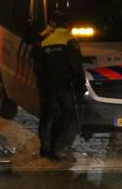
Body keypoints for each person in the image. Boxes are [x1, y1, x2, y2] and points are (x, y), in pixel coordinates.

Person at [33, 12, 84, 160]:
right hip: (65, 86)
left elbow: (39, 66)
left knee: (48, 115)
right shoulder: (70, 41)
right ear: (68, 25)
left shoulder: (45, 42)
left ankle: (45, 148)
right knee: (72, 116)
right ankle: (61, 147)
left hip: (48, 86)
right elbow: (75, 66)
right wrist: (80, 87)